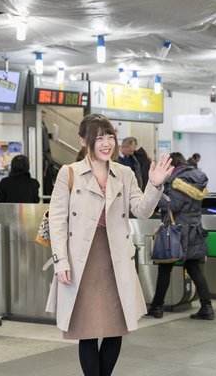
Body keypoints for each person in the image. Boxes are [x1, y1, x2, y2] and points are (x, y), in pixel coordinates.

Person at [44, 114, 173, 376]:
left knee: (116, 328)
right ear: (83, 141)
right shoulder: (69, 174)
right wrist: (61, 262)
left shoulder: (124, 173)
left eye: (110, 136)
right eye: (99, 138)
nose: (106, 143)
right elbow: (57, 222)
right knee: (87, 331)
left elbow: (142, 210)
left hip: (115, 257)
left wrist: (155, 184)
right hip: (82, 258)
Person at [146, 152, 214, 320]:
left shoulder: (177, 182)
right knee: (194, 269)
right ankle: (207, 307)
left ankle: (157, 307)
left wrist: (156, 198)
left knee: (165, 267)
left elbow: (173, 205)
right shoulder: (196, 179)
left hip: (177, 232)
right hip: (194, 230)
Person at [42, 110, 55, 199]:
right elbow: (44, 145)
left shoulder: (42, 126)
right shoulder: (41, 126)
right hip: (45, 158)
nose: (43, 118)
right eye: (42, 116)